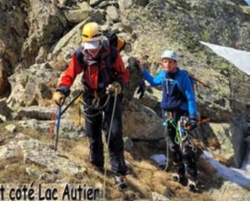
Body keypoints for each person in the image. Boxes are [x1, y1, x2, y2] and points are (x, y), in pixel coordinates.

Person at [53, 22, 130, 188]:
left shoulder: (112, 53)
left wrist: (118, 85)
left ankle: (119, 172)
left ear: (101, 40)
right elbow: (70, 73)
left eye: (94, 46)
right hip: (90, 96)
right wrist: (62, 90)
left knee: (114, 133)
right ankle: (97, 164)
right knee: (92, 133)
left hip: (111, 96)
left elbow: (123, 74)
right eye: (89, 46)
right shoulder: (81, 54)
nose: (92, 50)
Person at [138, 50, 199, 191]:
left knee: (185, 146)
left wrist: (193, 116)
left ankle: (192, 177)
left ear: (175, 63)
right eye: (165, 61)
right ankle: (178, 171)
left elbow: (190, 98)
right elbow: (153, 82)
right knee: (172, 144)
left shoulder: (182, 78)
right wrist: (143, 71)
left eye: (170, 62)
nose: (167, 64)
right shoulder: (163, 74)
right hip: (168, 114)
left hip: (182, 114)